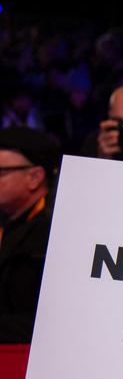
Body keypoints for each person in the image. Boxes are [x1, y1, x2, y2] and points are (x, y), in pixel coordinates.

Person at [0, 127, 60, 342]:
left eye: (2, 172)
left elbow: (44, 321)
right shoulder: (9, 221)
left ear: (35, 177)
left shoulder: (52, 236)